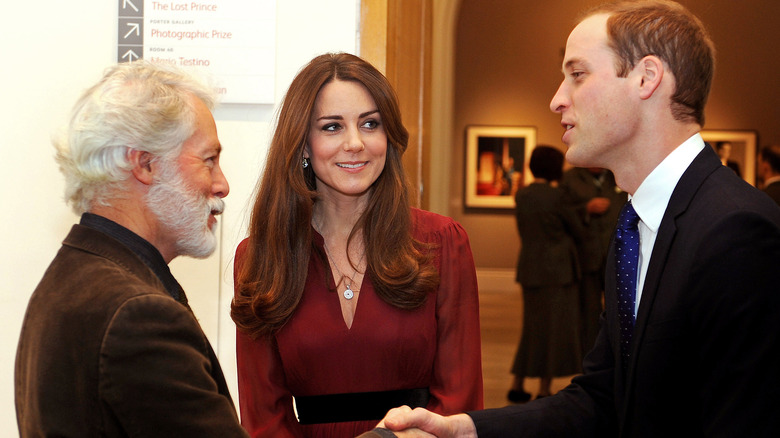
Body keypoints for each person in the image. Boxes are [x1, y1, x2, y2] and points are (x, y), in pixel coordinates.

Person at [377, 1, 780, 436]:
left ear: (646, 78)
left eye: (578, 74)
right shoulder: (635, 226)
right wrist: (466, 429)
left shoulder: (737, 232)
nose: (557, 99)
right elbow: (604, 397)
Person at [230, 52, 483, 438]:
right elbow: (263, 414)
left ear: (388, 137)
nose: (355, 143)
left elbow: (460, 396)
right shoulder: (261, 257)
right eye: (332, 127)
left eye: (370, 124)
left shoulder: (441, 243)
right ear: (302, 144)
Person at [14, 61, 249, 437]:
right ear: (146, 164)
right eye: (209, 160)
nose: (222, 185)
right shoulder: (138, 315)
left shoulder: (68, 277)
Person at [507, 146, 584, 403]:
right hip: (557, 270)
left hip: (530, 267)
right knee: (553, 330)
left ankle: (517, 383)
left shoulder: (522, 195)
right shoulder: (557, 196)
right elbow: (577, 228)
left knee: (532, 328)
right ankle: (544, 388)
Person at [560, 167, 626, 356]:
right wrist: (585, 209)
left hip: (617, 254)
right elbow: (561, 212)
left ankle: (616, 354)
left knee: (619, 308)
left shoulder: (617, 174)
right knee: (588, 311)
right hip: (586, 255)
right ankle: (589, 355)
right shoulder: (571, 178)